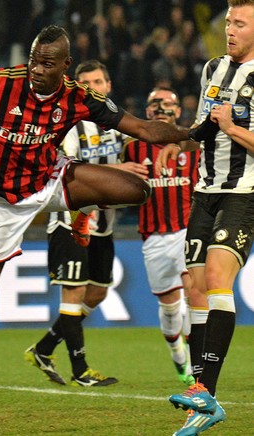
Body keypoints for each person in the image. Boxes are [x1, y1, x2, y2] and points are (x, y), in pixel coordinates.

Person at [0, 25, 201, 435]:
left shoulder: (79, 97)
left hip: (49, 180)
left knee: (135, 188)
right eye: (33, 59)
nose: (36, 69)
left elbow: (142, 129)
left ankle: (80, 212)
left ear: (65, 66)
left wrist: (192, 134)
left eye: (47, 63)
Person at [156, 1, 254, 433]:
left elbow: (230, 128)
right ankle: (202, 400)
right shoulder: (214, 68)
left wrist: (234, 129)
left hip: (243, 191)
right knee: (194, 287)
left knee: (216, 275)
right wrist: (181, 143)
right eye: (229, 21)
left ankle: (204, 391)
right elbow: (202, 125)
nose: (229, 29)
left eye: (240, 23)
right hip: (204, 190)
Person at [24, 60, 149, 388]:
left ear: (108, 85)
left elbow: (132, 155)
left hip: (103, 223)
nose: (93, 86)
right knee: (74, 293)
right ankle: (81, 371)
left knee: (96, 294)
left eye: (98, 80)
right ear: (76, 87)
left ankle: (44, 348)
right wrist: (122, 172)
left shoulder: (117, 125)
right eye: (85, 81)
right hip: (72, 219)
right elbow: (72, 169)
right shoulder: (71, 124)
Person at [124, 87, 198, 387]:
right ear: (148, 111)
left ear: (178, 111)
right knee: (169, 309)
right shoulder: (132, 149)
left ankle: (197, 367)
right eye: (154, 103)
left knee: (194, 294)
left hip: (185, 231)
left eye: (168, 103)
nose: (161, 108)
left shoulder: (193, 147)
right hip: (153, 237)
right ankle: (177, 353)